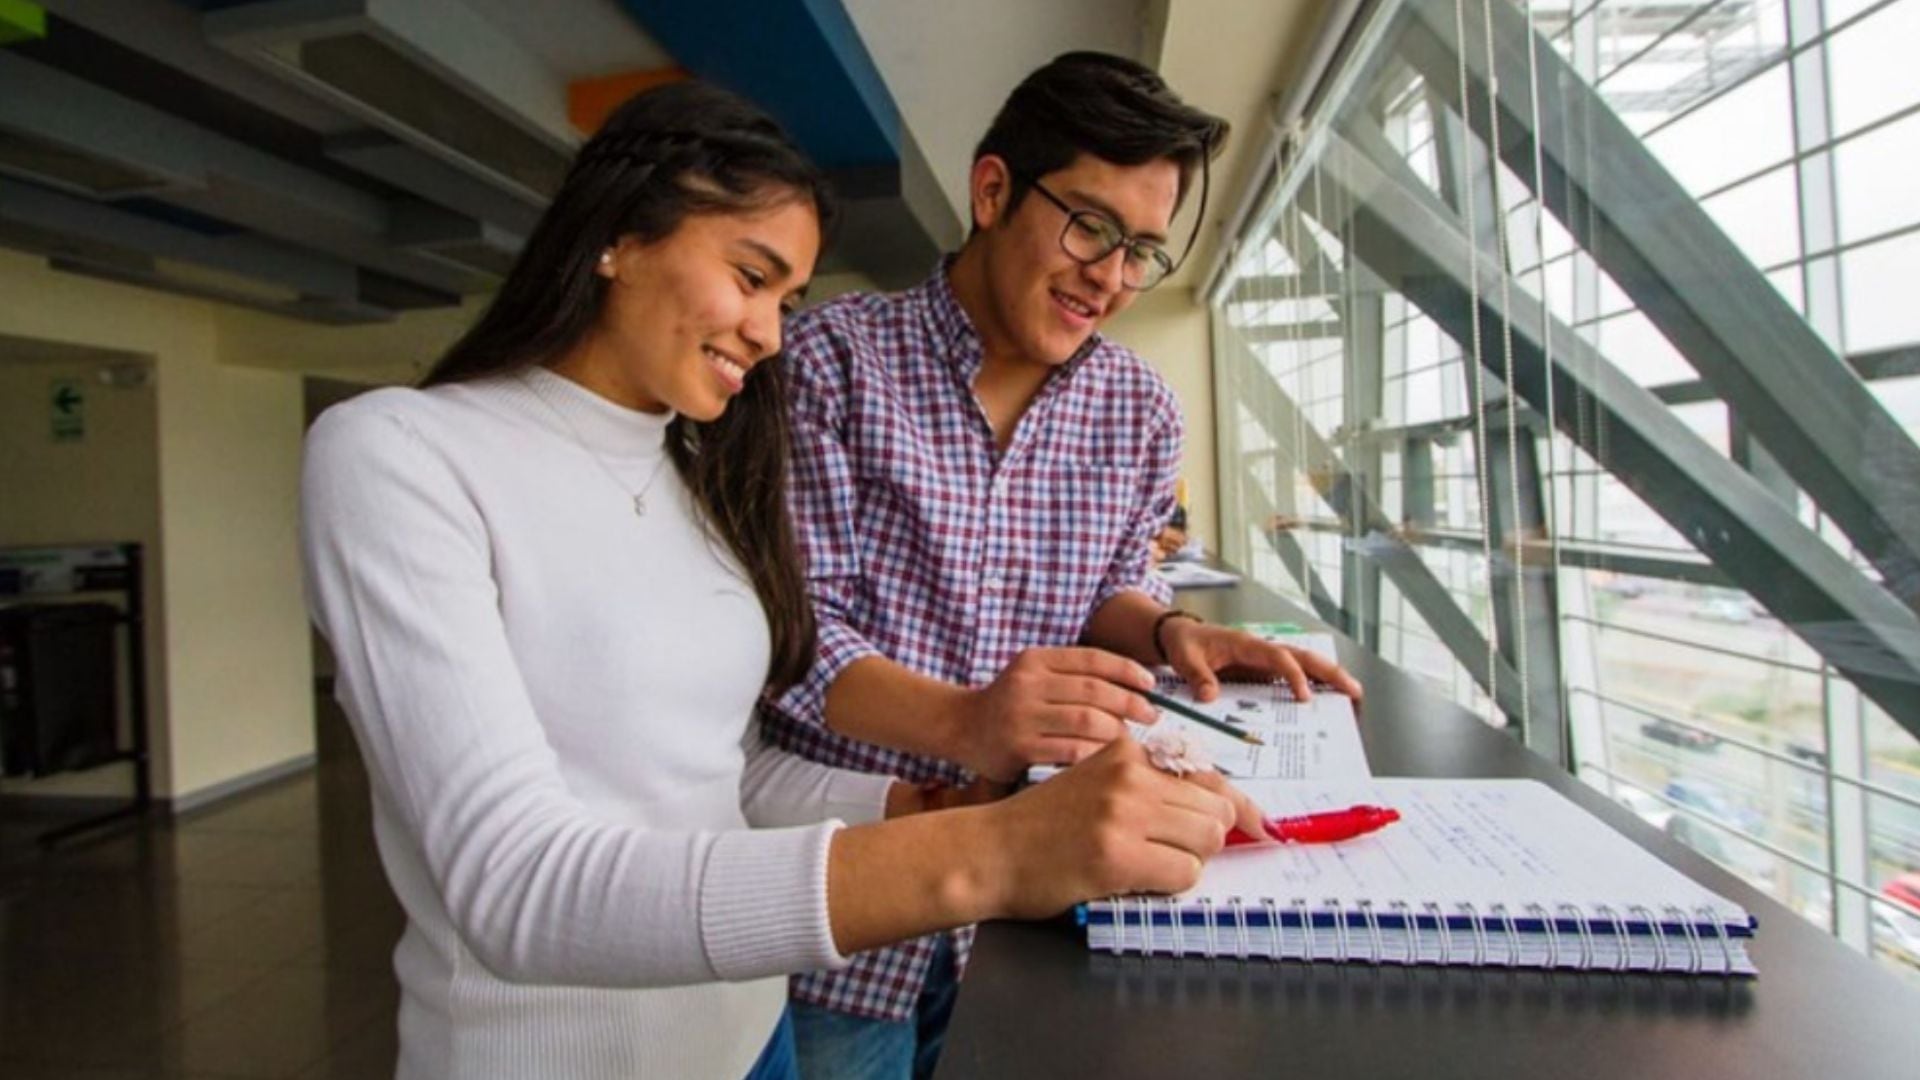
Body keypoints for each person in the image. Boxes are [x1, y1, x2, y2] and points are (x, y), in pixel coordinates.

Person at [300, 81, 1264, 1080]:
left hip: (754, 1034)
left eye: (787, 298)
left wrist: (930, 806)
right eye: (751, 277)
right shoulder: (396, 454)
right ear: (620, 236)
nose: (769, 336)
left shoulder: (696, 468)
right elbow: (516, 888)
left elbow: (727, 774)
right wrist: (997, 850)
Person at [759, 52, 1364, 1078]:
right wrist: (966, 720)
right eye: (1090, 226)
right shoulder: (828, 364)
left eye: (1141, 252)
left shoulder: (1141, 411)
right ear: (992, 191)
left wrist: (1171, 630)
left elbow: (1105, 589)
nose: (1111, 276)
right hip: (845, 907)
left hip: (1033, 909)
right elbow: (793, 640)